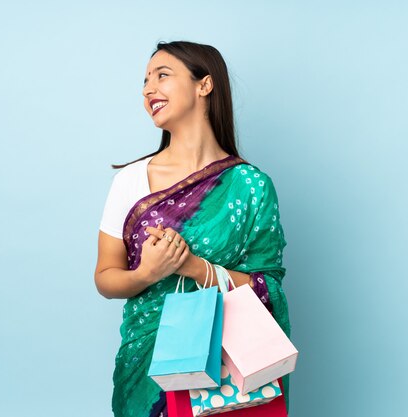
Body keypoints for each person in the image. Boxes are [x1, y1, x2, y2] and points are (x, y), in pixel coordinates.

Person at [94, 40, 290, 417]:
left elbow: (270, 287)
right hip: (148, 363)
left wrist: (193, 268)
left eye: (162, 75)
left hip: (230, 363)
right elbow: (105, 278)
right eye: (145, 80)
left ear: (205, 85)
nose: (148, 89)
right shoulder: (131, 180)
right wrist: (149, 273)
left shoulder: (251, 186)